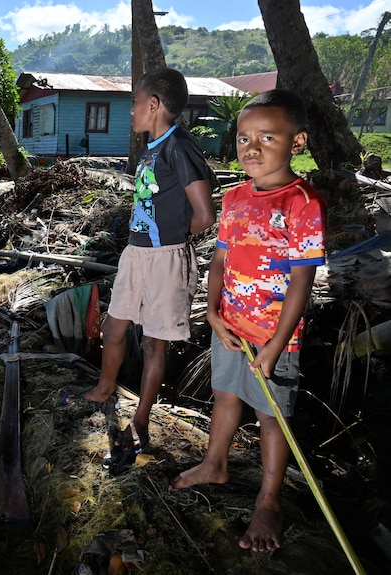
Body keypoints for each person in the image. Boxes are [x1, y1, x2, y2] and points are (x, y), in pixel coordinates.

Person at [170, 89, 327, 553]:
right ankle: (214, 463)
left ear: (296, 143)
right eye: (243, 139)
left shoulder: (302, 203)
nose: (251, 148)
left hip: (273, 337)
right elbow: (220, 260)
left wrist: (277, 345)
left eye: (267, 138)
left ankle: (268, 501)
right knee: (224, 396)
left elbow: (302, 282)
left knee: (270, 418)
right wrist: (213, 312)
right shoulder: (235, 198)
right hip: (231, 328)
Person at [62, 68, 215, 467]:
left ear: (154, 105)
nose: (130, 111)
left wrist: (167, 245)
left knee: (153, 344)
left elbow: (204, 214)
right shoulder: (151, 148)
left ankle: (141, 421)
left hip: (164, 259)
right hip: (136, 254)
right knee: (114, 327)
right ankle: (105, 387)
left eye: (134, 102)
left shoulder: (179, 147)